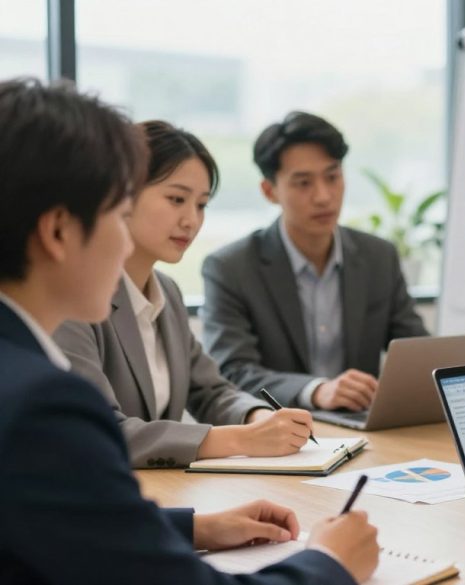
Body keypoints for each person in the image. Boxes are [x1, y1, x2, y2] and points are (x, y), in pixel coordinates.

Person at [0, 78, 379, 584]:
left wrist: (193, 527)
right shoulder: (41, 406)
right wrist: (329, 563)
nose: (190, 222)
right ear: (57, 230)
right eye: (117, 212)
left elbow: (56, 520)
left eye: (201, 204)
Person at [54, 121, 314, 469]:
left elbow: (210, 391)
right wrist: (239, 439)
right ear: (122, 195)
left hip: (162, 493)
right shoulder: (72, 296)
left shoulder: (169, 293)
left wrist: (256, 417)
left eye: (202, 204)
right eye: (176, 199)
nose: (191, 220)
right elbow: (97, 430)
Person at [200, 111, 428, 411]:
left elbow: (418, 355)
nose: (323, 196)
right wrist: (316, 391)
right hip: (280, 434)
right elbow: (234, 371)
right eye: (303, 183)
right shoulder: (231, 268)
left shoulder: (378, 257)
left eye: (332, 177)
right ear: (270, 192)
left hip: (364, 432)